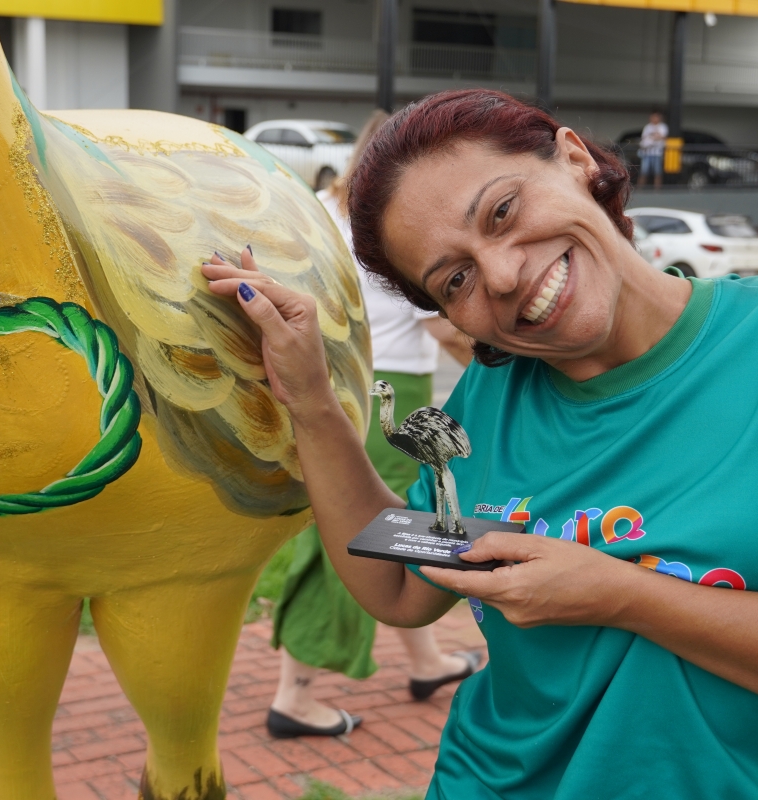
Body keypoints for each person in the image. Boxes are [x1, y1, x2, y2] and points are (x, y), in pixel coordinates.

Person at [204, 89, 758, 797]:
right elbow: (399, 585)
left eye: (502, 211)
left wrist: (623, 596)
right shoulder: (493, 394)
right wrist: (313, 402)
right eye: (456, 279)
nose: (503, 276)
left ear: (575, 159)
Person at [265, 110, 480, 740]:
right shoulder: (396, 227)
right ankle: (295, 695)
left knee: (400, 529)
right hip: (392, 387)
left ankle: (426, 661)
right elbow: (445, 328)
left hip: (339, 376)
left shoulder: (324, 215)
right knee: (368, 536)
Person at [637, 111, 667, 188]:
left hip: (657, 153)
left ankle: (657, 190)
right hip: (647, 153)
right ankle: (640, 189)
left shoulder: (662, 127)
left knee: (657, 173)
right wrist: (654, 137)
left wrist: (652, 137)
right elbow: (644, 138)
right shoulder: (647, 127)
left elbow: (662, 137)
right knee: (644, 172)